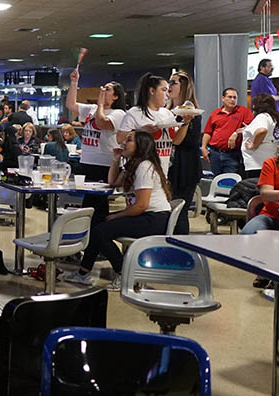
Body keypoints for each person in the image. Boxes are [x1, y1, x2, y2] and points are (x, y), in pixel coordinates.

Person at [69, 131, 174, 289]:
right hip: (145, 215)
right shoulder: (133, 165)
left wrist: (117, 216)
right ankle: (84, 272)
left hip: (153, 218)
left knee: (100, 231)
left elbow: (142, 205)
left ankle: (124, 273)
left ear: (140, 146)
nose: (124, 142)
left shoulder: (145, 167)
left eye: (129, 140)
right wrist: (115, 159)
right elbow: (112, 182)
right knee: (97, 223)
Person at [66, 68, 128, 222]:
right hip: (87, 161)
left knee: (97, 204)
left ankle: (97, 238)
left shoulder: (118, 113)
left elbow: (102, 123)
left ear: (115, 96)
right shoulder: (93, 109)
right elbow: (71, 104)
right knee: (88, 202)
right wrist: (74, 82)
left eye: (107, 89)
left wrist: (100, 105)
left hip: (104, 164)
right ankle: (90, 238)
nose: (102, 90)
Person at [118, 73, 194, 175]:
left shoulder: (167, 113)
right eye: (164, 90)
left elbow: (176, 140)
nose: (167, 94)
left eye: (168, 90)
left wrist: (186, 122)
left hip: (163, 171)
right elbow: (120, 139)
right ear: (152, 91)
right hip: (141, 172)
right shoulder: (135, 113)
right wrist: (141, 131)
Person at [167, 71, 203, 235]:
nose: (169, 86)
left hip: (185, 169)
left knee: (179, 212)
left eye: (173, 83)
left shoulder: (192, 113)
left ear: (184, 87)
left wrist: (183, 124)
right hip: (167, 167)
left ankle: (181, 250)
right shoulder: (165, 111)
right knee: (166, 211)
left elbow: (190, 142)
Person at [201, 87, 253, 175]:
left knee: (229, 181)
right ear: (223, 98)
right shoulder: (215, 113)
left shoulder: (243, 112)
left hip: (232, 154)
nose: (232, 100)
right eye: (230, 97)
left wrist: (236, 133)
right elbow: (208, 132)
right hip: (215, 154)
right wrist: (203, 147)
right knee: (216, 181)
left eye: (235, 97)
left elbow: (250, 128)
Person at [241, 93, 279, 179]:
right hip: (269, 161)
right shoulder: (275, 119)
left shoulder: (262, 116)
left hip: (256, 163)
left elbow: (262, 130)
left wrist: (254, 145)